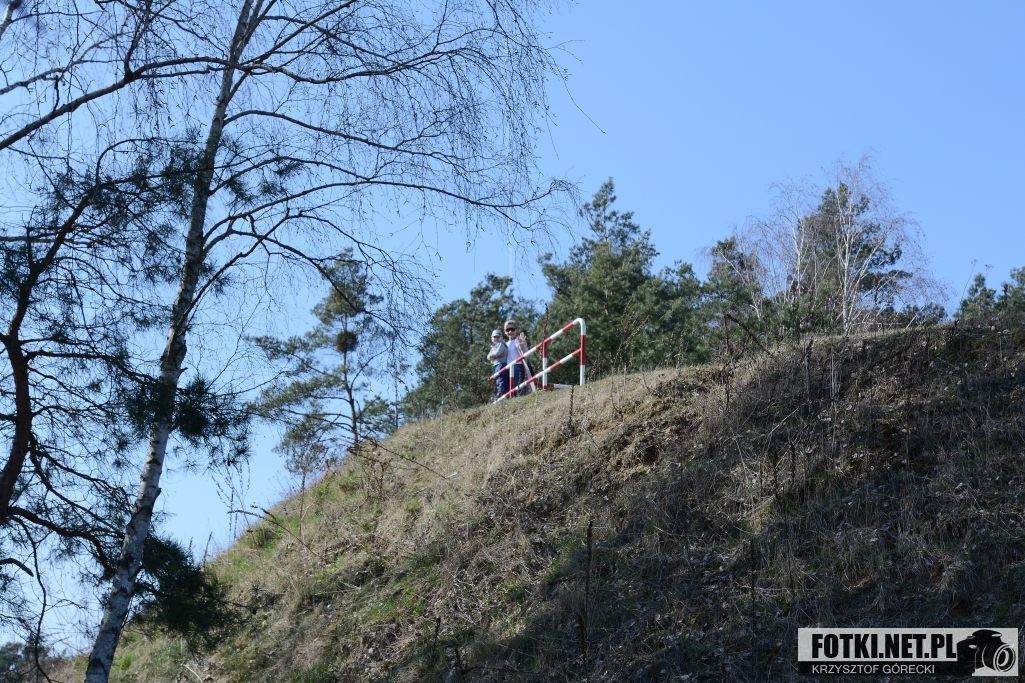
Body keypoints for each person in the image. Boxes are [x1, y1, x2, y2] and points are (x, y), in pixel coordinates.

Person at [486, 329, 507, 397]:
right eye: (495, 337)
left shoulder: (501, 344)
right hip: (497, 364)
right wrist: (493, 356)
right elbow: (488, 357)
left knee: (501, 377)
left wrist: (493, 356)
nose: (496, 338)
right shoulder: (494, 346)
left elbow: (497, 353)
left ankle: (501, 392)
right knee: (498, 378)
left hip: (502, 363)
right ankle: (500, 391)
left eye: (498, 337)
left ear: (502, 338)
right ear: (492, 338)